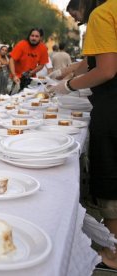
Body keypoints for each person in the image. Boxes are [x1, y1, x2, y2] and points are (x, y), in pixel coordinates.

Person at [48, 0, 115, 269]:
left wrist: (69, 85)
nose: (75, 20)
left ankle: (112, 253)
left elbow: (106, 68)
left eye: (74, 13)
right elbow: (92, 61)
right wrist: (69, 71)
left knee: (110, 175)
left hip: (113, 108)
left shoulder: (102, 14)